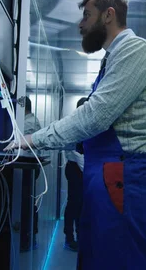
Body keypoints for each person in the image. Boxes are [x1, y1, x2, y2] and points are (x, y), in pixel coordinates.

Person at [6, 0, 146, 269]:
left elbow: (95, 117)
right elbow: (95, 125)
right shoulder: (112, 59)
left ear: (109, 15)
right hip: (104, 175)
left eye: (87, 15)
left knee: (118, 261)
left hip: (123, 175)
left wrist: (33, 139)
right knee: (95, 259)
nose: (81, 24)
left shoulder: (135, 49)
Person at [63, 97, 88, 252]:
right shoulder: (74, 125)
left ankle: (79, 237)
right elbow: (76, 152)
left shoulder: (85, 124)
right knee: (74, 204)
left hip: (80, 168)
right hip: (74, 168)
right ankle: (69, 238)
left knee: (80, 204)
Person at [20, 97, 41, 252]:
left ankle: (27, 238)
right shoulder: (31, 120)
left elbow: (21, 144)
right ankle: (30, 236)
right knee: (28, 201)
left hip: (27, 166)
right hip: (29, 165)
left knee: (26, 203)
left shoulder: (28, 123)